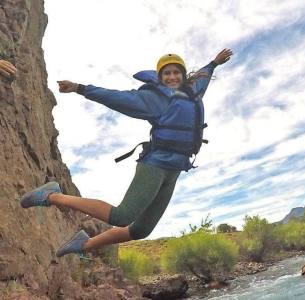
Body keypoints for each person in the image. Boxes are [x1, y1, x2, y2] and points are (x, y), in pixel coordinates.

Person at [20, 49, 233, 257]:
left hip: (175, 169)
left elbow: (204, 76)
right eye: (166, 73)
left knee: (142, 230)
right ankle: (51, 195)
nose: (172, 77)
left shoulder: (194, 91)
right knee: (122, 216)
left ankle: (83, 244)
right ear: (159, 77)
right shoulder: (153, 99)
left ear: (184, 75)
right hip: (156, 164)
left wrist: (214, 63)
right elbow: (114, 97)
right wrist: (79, 88)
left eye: (176, 72)